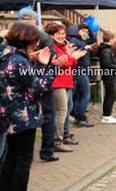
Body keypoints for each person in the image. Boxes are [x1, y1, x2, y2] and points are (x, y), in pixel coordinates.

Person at [0, 23, 67, 191]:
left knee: (11, 158)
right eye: (35, 40)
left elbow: (27, 80)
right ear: (26, 40)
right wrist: (53, 68)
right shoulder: (19, 61)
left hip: (8, 113)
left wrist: (40, 64)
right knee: (23, 159)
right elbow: (37, 87)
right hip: (23, 115)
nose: (37, 44)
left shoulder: (6, 57)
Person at [17, 10, 61, 162]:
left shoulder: (44, 37)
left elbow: (51, 58)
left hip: (39, 83)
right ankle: (31, 153)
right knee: (28, 118)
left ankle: (46, 150)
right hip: (26, 84)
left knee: (47, 117)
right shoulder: (15, 38)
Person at [47, 23, 85, 152]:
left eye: (63, 33)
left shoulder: (63, 46)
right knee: (61, 112)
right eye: (58, 33)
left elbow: (70, 64)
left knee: (65, 110)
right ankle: (57, 140)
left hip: (66, 81)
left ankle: (62, 136)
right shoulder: (52, 47)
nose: (61, 36)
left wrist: (71, 56)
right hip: (58, 82)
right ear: (52, 35)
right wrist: (73, 58)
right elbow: (62, 63)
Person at [67, 23, 96, 127]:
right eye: (83, 31)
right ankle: (80, 117)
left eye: (86, 32)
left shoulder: (83, 40)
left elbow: (93, 39)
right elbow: (74, 54)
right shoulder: (74, 40)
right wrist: (85, 48)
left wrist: (89, 28)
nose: (85, 33)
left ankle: (79, 116)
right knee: (85, 95)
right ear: (78, 31)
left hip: (83, 69)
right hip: (79, 70)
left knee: (80, 95)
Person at [98, 32, 116, 124]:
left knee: (110, 94)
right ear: (110, 40)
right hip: (108, 75)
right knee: (111, 95)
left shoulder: (106, 50)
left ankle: (107, 115)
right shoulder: (105, 51)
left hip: (109, 74)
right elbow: (107, 64)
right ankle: (106, 116)